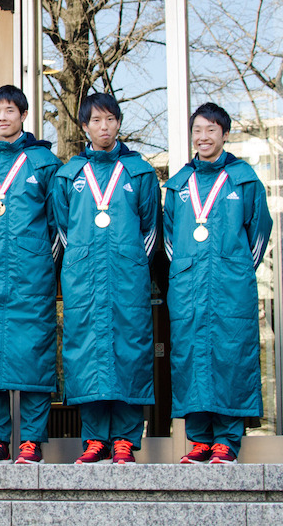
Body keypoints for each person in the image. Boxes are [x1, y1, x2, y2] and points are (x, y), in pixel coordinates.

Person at [51, 94, 160, 465]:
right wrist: (85, 263)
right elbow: (63, 230)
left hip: (126, 280)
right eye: (95, 121)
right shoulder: (69, 174)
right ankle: (95, 439)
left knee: (130, 352)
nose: (103, 127)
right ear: (84, 126)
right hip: (84, 281)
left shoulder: (140, 171)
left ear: (118, 123)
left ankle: (126, 439)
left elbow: (150, 229)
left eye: (110, 119)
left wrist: (126, 262)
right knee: (86, 354)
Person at [164, 102, 271, 465]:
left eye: (211, 129)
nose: (203, 136)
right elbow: (169, 239)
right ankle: (198, 440)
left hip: (230, 287)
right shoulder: (179, 184)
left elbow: (259, 232)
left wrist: (237, 270)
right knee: (190, 355)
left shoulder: (243, 178)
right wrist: (187, 271)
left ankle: (226, 438)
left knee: (230, 355)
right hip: (189, 286)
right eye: (197, 130)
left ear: (224, 134)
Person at [0, 85, 61, 465]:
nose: (2, 117)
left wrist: (41, 264)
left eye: (10, 110)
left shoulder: (43, 162)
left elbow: (59, 225)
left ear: (23, 115)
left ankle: (31, 441)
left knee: (34, 357)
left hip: (31, 276)